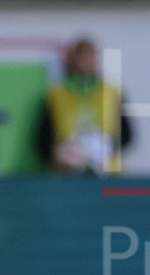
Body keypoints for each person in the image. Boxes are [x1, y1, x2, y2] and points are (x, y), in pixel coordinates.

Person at [36, 37, 132, 174]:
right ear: (71, 58)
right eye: (80, 55)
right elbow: (42, 140)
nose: (84, 61)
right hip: (67, 174)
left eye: (89, 55)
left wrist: (104, 148)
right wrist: (60, 152)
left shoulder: (112, 92)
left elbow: (127, 134)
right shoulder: (56, 94)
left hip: (107, 175)